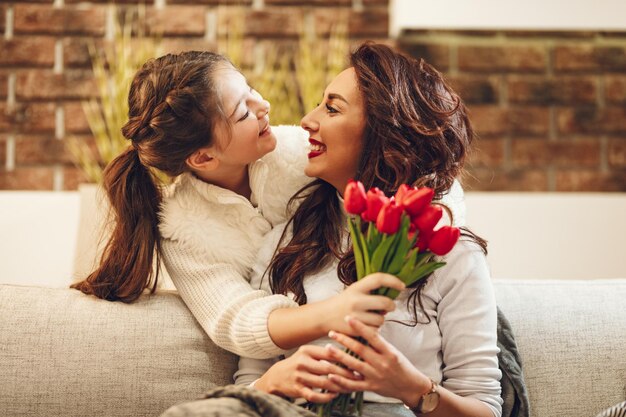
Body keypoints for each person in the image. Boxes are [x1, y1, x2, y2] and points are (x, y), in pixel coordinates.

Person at [70, 50, 461, 358]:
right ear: (203, 158)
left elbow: (416, 179)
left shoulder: (302, 156)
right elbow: (235, 320)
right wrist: (337, 311)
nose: (265, 105)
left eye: (251, 90)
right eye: (243, 111)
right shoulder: (182, 230)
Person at [234, 42, 503, 417]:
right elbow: (242, 390)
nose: (307, 121)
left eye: (331, 108)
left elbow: (486, 408)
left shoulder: (449, 253)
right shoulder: (286, 244)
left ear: (384, 130)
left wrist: (409, 387)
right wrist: (271, 383)